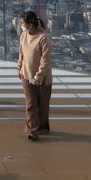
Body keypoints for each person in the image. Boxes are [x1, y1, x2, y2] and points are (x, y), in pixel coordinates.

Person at [17, 11, 52, 139]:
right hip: (26, 74)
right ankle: (32, 129)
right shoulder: (23, 36)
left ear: (30, 24)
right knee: (31, 103)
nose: (21, 25)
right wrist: (19, 67)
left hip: (42, 78)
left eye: (23, 23)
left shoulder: (43, 38)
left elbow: (45, 60)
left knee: (43, 104)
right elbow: (21, 53)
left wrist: (39, 76)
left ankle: (43, 127)